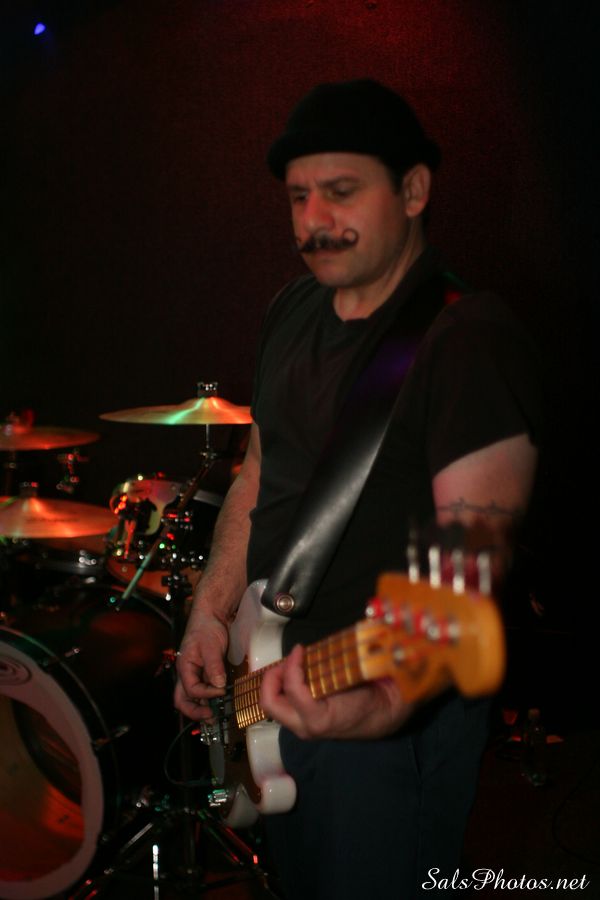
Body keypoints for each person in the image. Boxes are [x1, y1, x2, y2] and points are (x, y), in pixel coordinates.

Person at [175, 79, 541, 898]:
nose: (313, 220)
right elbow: (260, 474)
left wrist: (379, 704)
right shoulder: (290, 310)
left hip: (384, 714)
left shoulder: (466, 339)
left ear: (413, 189)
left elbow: (472, 568)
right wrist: (211, 609)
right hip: (272, 685)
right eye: (298, 196)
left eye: (340, 192)